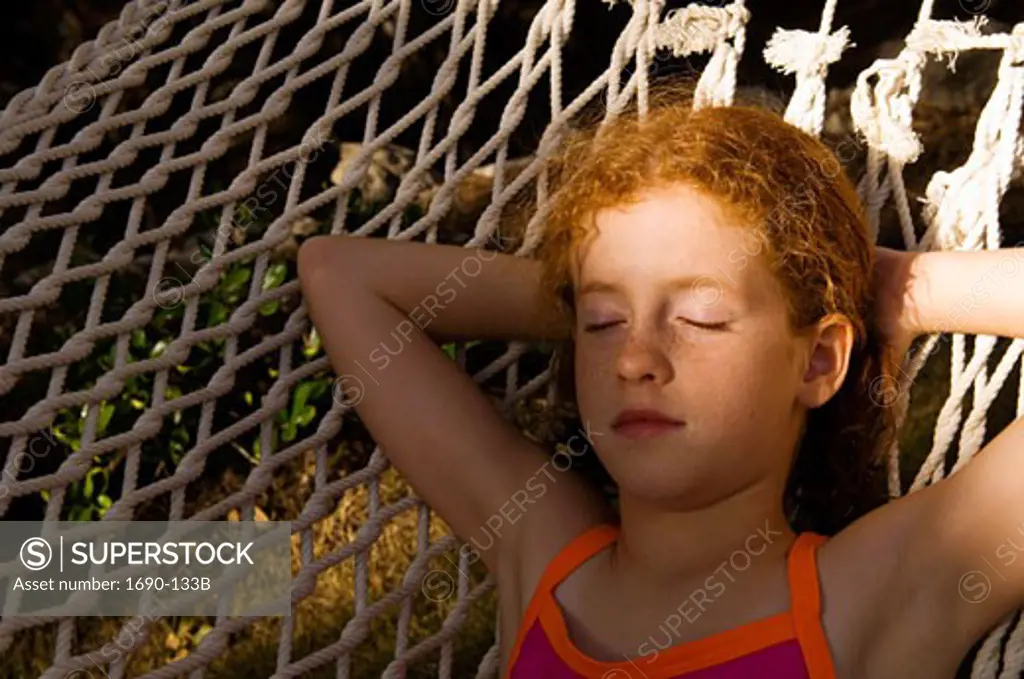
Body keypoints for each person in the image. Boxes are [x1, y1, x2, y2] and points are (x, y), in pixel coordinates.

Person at [296, 83, 1024, 679]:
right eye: (604, 323)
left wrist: (896, 290)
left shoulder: (872, 595)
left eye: (703, 317)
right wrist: (581, 293)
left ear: (818, 362)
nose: (634, 358)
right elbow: (338, 274)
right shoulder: (541, 552)